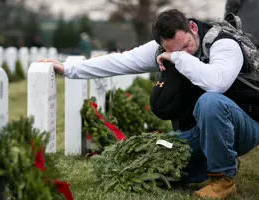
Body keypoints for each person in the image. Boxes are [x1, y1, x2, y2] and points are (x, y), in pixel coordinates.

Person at [40, 9, 259, 199]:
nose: (183, 53)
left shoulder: (224, 44)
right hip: (203, 129)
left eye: (185, 46)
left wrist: (176, 58)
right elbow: (121, 61)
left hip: (247, 123)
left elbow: (216, 83)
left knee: (210, 101)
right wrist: (69, 69)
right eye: (173, 50)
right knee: (156, 159)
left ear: (192, 27)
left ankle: (223, 177)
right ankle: (216, 156)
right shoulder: (164, 47)